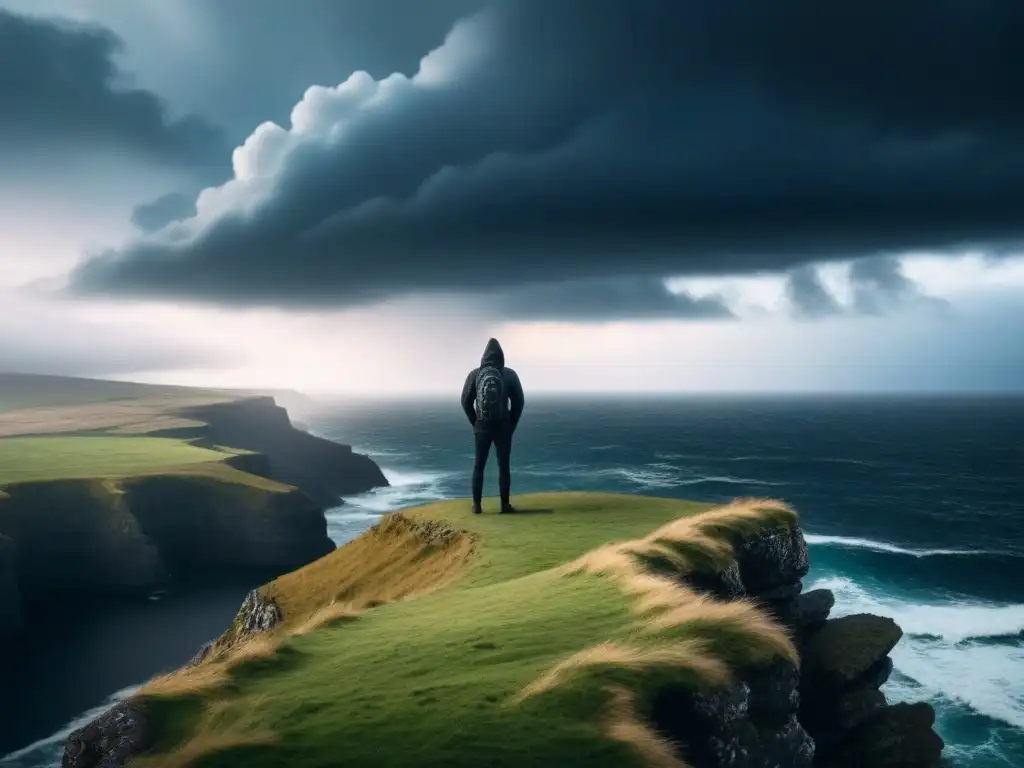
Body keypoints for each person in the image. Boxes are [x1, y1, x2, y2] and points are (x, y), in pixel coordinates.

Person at [460, 338, 525, 514]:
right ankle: (504, 505)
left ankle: (477, 505)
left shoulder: (475, 375)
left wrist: (475, 422)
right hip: (503, 427)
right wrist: (511, 424)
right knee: (503, 466)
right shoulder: (510, 374)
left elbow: (465, 401)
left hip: (482, 427)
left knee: (479, 466)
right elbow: (519, 402)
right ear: (502, 356)